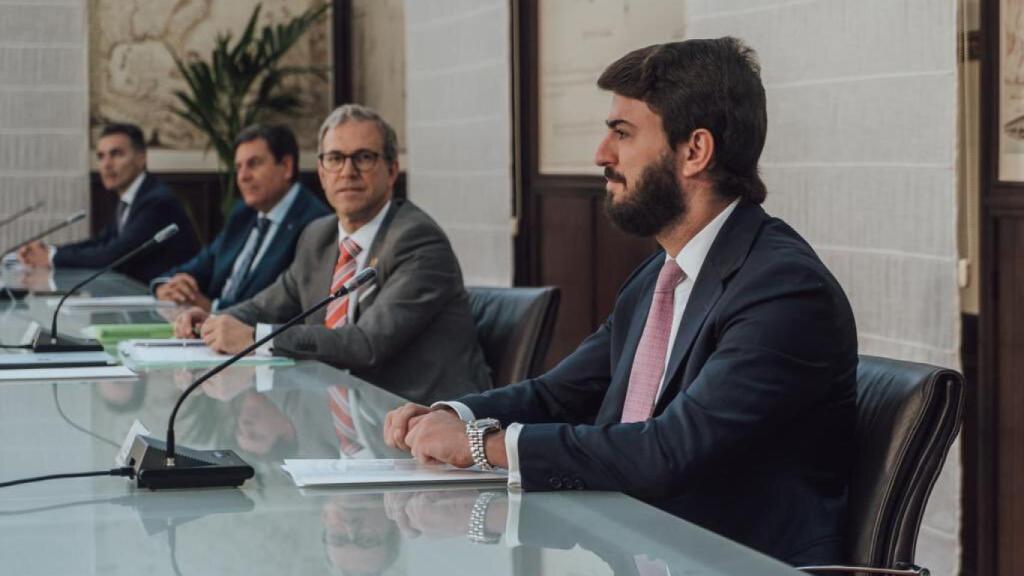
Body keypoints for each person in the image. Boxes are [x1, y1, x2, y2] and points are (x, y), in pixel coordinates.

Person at [383, 37, 858, 566]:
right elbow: (560, 394)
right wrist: (451, 415)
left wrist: (480, 445)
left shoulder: (783, 289)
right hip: (631, 545)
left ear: (695, 151)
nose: (601, 155)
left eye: (623, 133)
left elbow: (667, 451)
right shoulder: (660, 275)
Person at [175, 104, 491, 405]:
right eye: (335, 159)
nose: (347, 171)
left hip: (421, 418)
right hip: (338, 412)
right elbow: (265, 306)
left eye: (364, 157)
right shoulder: (318, 237)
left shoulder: (417, 241)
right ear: (322, 173)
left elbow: (366, 344)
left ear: (392, 170)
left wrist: (256, 338)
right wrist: (214, 321)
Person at [152, 124, 330, 311]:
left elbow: (287, 309)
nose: (243, 176)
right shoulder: (244, 214)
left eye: (254, 164)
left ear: (286, 166)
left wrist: (213, 309)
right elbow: (201, 265)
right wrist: (168, 286)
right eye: (238, 167)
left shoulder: (315, 224)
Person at [18, 123, 199, 282]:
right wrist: (50, 251)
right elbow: (100, 243)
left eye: (116, 154)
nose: (106, 164)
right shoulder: (132, 198)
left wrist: (51, 257)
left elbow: (113, 256)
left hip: (167, 298)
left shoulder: (157, 202)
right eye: (101, 156)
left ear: (141, 158)